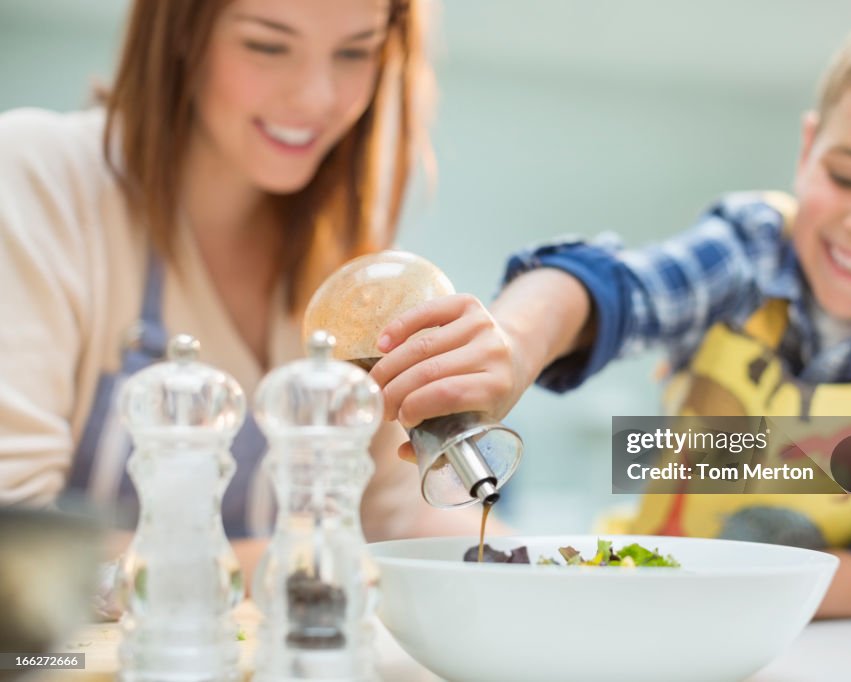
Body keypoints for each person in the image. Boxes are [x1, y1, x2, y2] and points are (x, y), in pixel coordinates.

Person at [368, 6, 851, 618]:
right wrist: (513, 342)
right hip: (639, 587)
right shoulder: (750, 247)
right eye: (847, 177)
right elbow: (609, 289)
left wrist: (722, 598)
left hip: (809, 624)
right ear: (809, 150)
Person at [0, 0, 488, 577]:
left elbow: (399, 516)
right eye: (267, 44)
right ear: (180, 31)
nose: (315, 97)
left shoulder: (347, 263)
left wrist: (559, 563)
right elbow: (18, 539)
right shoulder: (36, 177)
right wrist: (309, 567)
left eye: (355, 51)